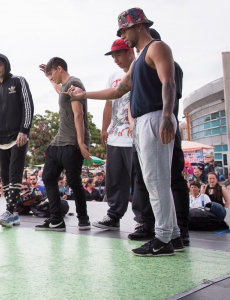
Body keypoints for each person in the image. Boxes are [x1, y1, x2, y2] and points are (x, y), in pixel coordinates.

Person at [68, 8, 184, 256]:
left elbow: (169, 82)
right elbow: (117, 91)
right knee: (157, 180)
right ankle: (173, 235)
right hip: (142, 122)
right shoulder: (140, 59)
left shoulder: (157, 47)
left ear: (138, 26)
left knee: (156, 181)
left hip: (155, 117)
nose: (123, 36)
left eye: (124, 30)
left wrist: (166, 116)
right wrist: (83, 94)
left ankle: (162, 239)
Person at [35, 57, 91, 232]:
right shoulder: (65, 87)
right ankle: (56, 219)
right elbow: (59, 90)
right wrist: (48, 78)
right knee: (49, 178)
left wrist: (81, 143)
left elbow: (78, 114)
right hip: (59, 141)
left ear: (59, 69)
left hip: (72, 142)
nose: (52, 77)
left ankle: (83, 219)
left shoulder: (75, 83)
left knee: (74, 182)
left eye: (52, 74)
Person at [91, 39, 135, 230]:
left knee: (138, 181)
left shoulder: (139, 69)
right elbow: (108, 103)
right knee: (115, 179)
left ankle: (144, 220)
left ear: (130, 52)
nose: (116, 59)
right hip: (115, 136)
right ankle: (113, 216)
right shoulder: (113, 76)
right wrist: (104, 129)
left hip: (134, 137)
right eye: (113, 56)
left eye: (119, 55)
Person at [0, 53, 34, 228]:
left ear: (6, 65)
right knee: (5, 178)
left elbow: (28, 105)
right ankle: (13, 214)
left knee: (15, 173)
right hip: (1, 139)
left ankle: (9, 210)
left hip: (18, 137)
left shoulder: (18, 81)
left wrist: (24, 130)